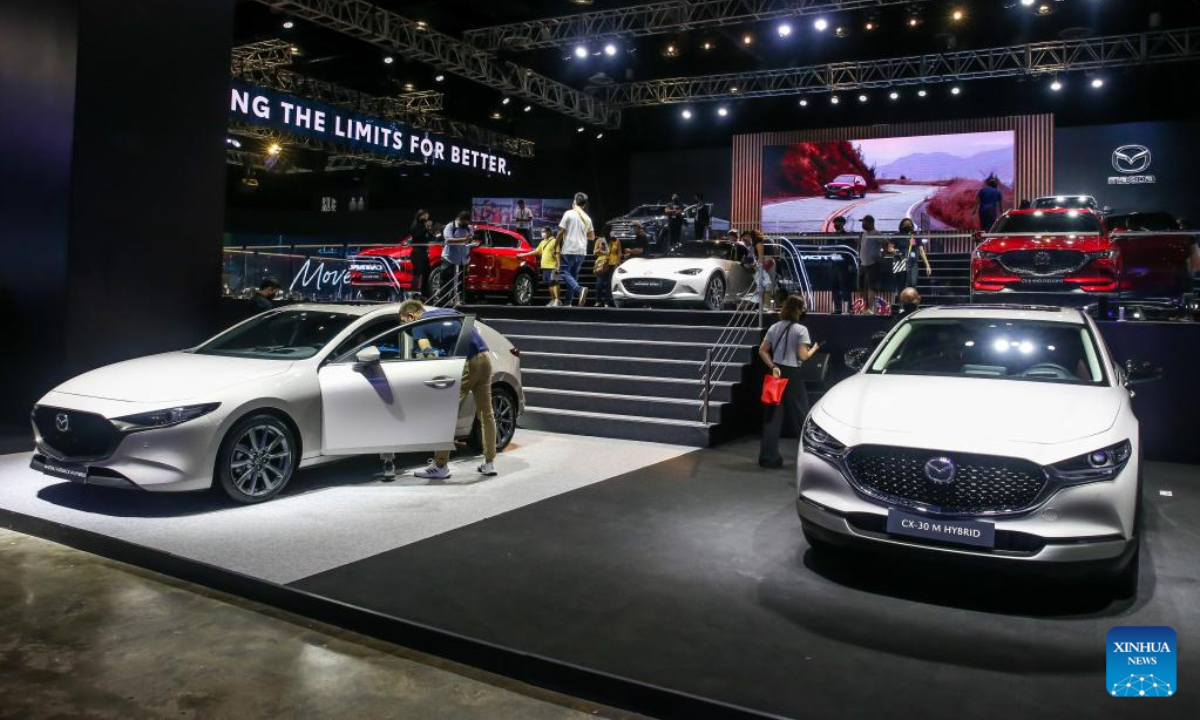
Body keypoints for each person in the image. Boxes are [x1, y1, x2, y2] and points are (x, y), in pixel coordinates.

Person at [401, 299, 499, 479]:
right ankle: (489, 462)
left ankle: (440, 465)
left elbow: (427, 352)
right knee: (486, 413)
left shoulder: (420, 325)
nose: (406, 327)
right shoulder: (447, 312)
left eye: (404, 322)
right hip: (485, 357)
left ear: (410, 315)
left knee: (445, 412)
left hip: (467, 363)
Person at [758, 295, 820, 468]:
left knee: (772, 417)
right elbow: (803, 356)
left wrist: (773, 366)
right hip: (792, 374)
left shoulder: (774, 327)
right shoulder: (801, 330)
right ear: (799, 310)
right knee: (801, 415)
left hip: (777, 372)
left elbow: (763, 351)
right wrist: (813, 349)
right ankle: (812, 457)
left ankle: (767, 458)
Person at [556, 191, 594, 307]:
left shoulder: (568, 213)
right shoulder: (587, 218)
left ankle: (579, 289)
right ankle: (568, 303)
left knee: (563, 272)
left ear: (574, 202)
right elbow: (591, 236)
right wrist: (581, 232)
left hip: (569, 249)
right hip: (581, 251)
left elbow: (561, 232)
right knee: (572, 277)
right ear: (584, 204)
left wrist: (555, 245)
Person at [519, 227, 561, 306]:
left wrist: (558, 265)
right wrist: (523, 254)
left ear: (549, 232)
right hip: (545, 266)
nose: (542, 233)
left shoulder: (555, 241)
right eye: (542, 232)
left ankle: (557, 300)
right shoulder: (542, 242)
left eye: (544, 231)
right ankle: (553, 299)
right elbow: (536, 251)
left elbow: (557, 253)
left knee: (554, 283)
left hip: (553, 266)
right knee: (549, 284)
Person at [441, 211, 473, 304]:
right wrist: (463, 240)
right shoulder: (450, 226)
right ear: (460, 220)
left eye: (467, 223)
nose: (466, 225)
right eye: (464, 223)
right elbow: (448, 240)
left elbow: (470, 238)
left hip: (463, 259)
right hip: (450, 258)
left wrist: (471, 242)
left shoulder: (469, 227)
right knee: (446, 281)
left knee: (461, 281)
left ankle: (459, 300)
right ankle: (443, 301)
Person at [896, 218, 932, 295]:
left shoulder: (914, 237)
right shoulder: (898, 236)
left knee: (912, 283)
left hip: (912, 264)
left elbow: (921, 251)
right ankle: (901, 304)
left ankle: (910, 303)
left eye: (909, 224)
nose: (908, 226)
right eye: (906, 224)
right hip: (900, 263)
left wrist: (927, 265)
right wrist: (897, 252)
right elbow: (891, 247)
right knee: (901, 286)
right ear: (902, 226)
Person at [828, 216, 854, 314]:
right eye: (835, 223)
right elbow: (828, 249)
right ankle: (837, 308)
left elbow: (851, 251)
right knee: (834, 287)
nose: (836, 225)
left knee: (845, 287)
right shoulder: (831, 237)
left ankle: (849, 308)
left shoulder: (848, 236)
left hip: (844, 265)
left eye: (838, 223)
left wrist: (851, 264)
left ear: (843, 224)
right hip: (833, 265)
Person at [858, 215, 884, 310]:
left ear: (871, 223)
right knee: (862, 287)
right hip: (863, 264)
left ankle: (871, 308)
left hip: (872, 264)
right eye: (862, 222)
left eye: (865, 222)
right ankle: (866, 306)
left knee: (871, 287)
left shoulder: (876, 233)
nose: (863, 224)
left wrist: (882, 256)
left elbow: (885, 243)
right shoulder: (863, 234)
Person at [408, 208, 434, 297]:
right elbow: (417, 235)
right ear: (420, 216)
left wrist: (429, 229)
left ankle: (425, 294)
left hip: (424, 252)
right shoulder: (415, 225)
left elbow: (430, 238)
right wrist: (426, 228)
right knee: (417, 273)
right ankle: (414, 293)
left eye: (427, 214)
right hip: (417, 252)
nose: (427, 216)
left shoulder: (424, 225)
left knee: (427, 272)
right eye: (425, 214)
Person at [592, 233, 622, 307]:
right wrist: (600, 249)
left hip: (612, 264)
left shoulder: (616, 241)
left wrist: (617, 264)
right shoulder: (600, 240)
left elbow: (619, 253)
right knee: (599, 283)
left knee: (609, 284)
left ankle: (606, 302)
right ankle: (598, 301)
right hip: (602, 263)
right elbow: (594, 252)